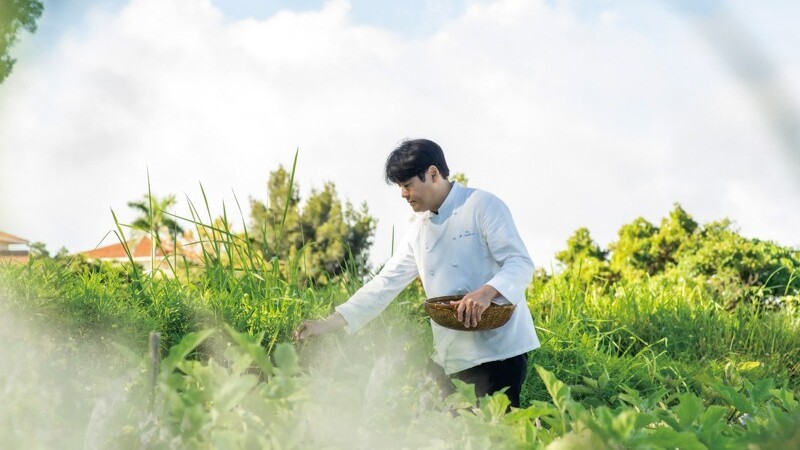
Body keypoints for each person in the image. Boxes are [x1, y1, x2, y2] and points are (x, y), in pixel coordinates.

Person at [293, 139, 540, 408]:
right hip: (452, 355)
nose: (403, 193)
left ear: (433, 174)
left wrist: (486, 293)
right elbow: (385, 283)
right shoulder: (420, 230)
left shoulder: (482, 205)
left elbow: (519, 262)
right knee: (428, 426)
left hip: (498, 354)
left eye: (408, 184)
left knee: (493, 439)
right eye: (400, 186)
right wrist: (329, 323)